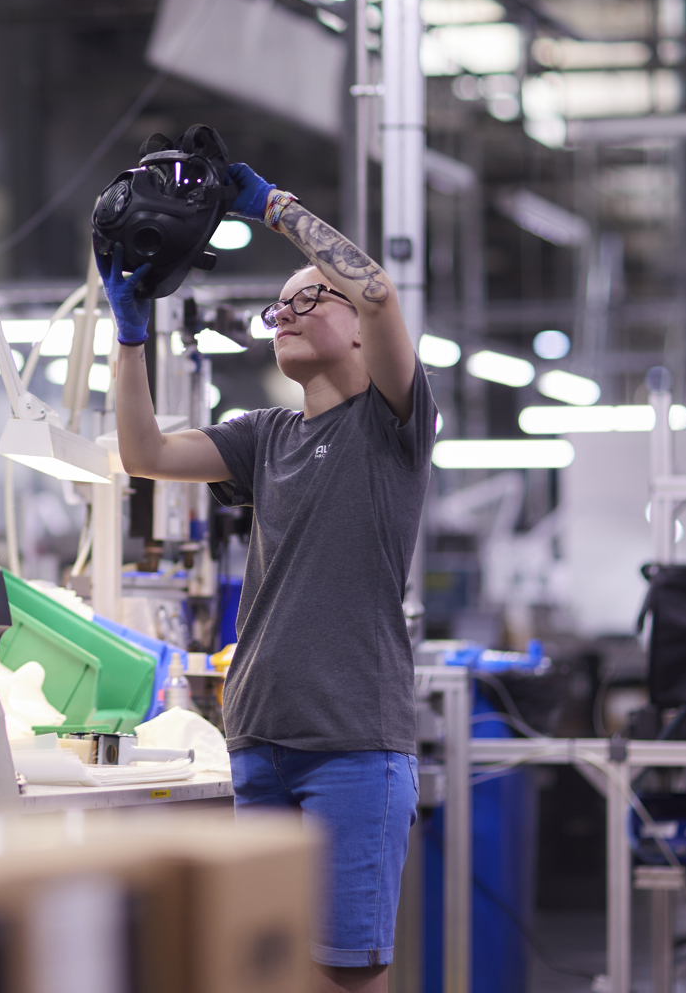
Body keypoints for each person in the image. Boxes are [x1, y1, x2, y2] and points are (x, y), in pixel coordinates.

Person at [98, 159, 433, 993]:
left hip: (353, 747)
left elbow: (381, 291)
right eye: (276, 304)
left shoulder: (392, 425)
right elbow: (143, 453)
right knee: (267, 974)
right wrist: (130, 334)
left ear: (356, 328)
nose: (282, 310)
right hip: (258, 741)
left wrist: (274, 206)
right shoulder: (265, 436)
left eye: (309, 297)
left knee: (343, 978)